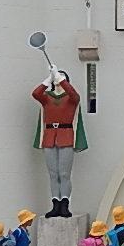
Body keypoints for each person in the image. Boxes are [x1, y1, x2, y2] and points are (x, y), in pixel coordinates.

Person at [32, 69, 88, 217]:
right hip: (50, 136)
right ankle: (55, 202)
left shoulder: (70, 99)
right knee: (53, 173)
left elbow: (75, 95)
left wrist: (61, 79)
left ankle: (65, 203)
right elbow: (35, 94)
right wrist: (47, 79)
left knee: (64, 173)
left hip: (65, 135)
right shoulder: (47, 98)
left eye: (62, 77)